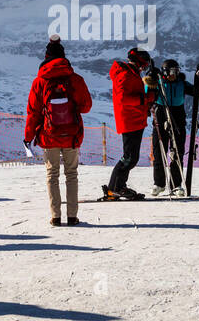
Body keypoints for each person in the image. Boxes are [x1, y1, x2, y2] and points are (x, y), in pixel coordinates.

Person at [23, 35, 93, 225]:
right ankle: (72, 216)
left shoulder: (39, 82)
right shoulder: (75, 79)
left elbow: (33, 113)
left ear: (46, 57)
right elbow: (86, 107)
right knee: (71, 174)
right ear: (64, 57)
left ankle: (55, 216)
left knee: (52, 174)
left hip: (48, 135)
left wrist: (28, 136)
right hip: (71, 135)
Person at [103, 48, 159, 200]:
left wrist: (148, 98)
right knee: (129, 158)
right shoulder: (125, 74)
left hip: (135, 119)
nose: (145, 67)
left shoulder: (132, 73)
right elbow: (123, 98)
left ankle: (116, 187)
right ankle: (115, 188)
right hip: (130, 120)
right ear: (139, 61)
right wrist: (145, 100)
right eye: (144, 64)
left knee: (130, 157)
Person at [148, 58, 199, 196]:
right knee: (159, 151)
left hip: (178, 115)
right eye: (170, 72)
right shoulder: (159, 83)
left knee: (177, 152)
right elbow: (147, 90)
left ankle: (176, 185)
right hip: (161, 113)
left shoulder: (181, 83)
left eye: (176, 71)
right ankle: (159, 183)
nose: (173, 75)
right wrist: (150, 77)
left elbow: (198, 91)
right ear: (164, 72)